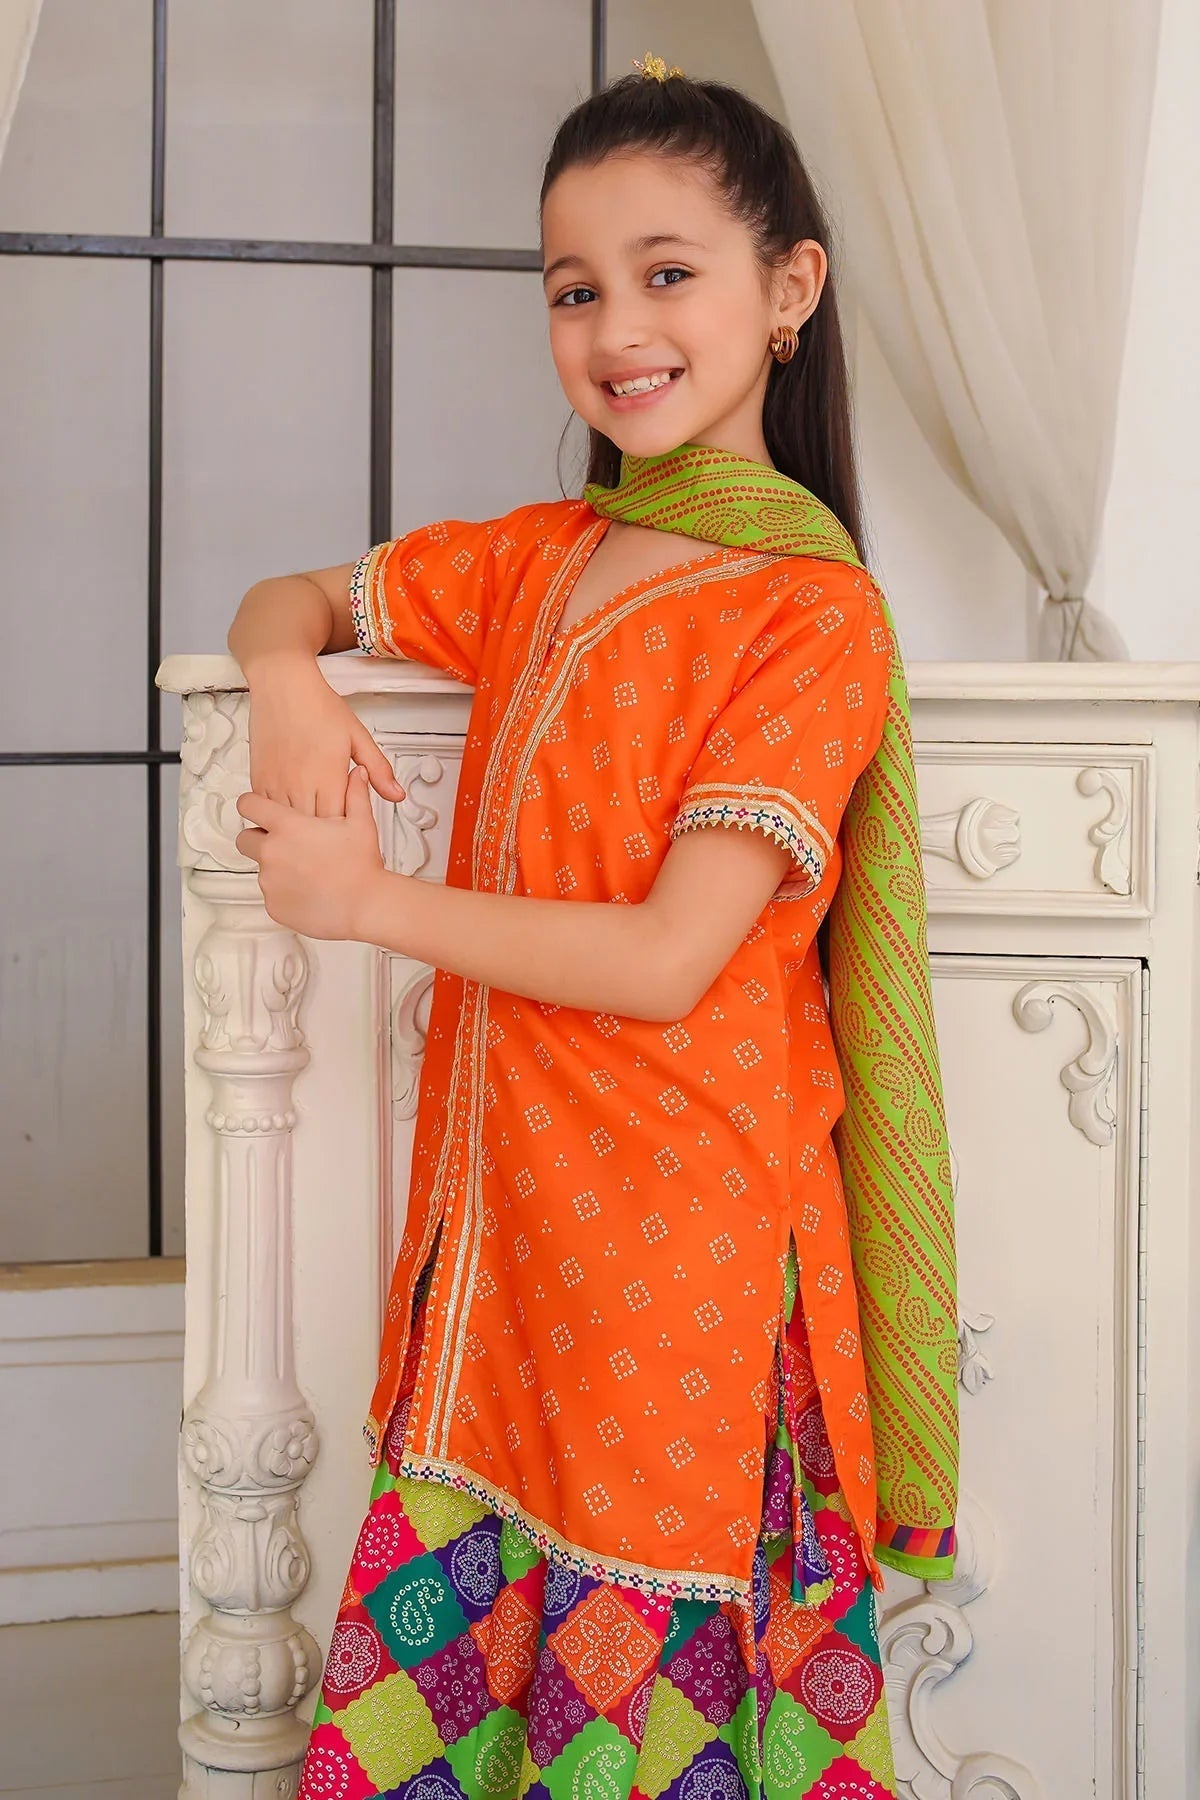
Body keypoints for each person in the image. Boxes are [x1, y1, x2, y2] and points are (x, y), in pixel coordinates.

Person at [229, 52, 958, 1800]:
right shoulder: (541, 558)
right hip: (507, 1243)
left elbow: (667, 957)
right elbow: (290, 596)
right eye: (574, 289)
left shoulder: (812, 615)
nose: (617, 328)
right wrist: (283, 683)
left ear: (789, 289)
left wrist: (369, 902)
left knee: (643, 1729)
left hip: (684, 1254)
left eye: (667, 272)